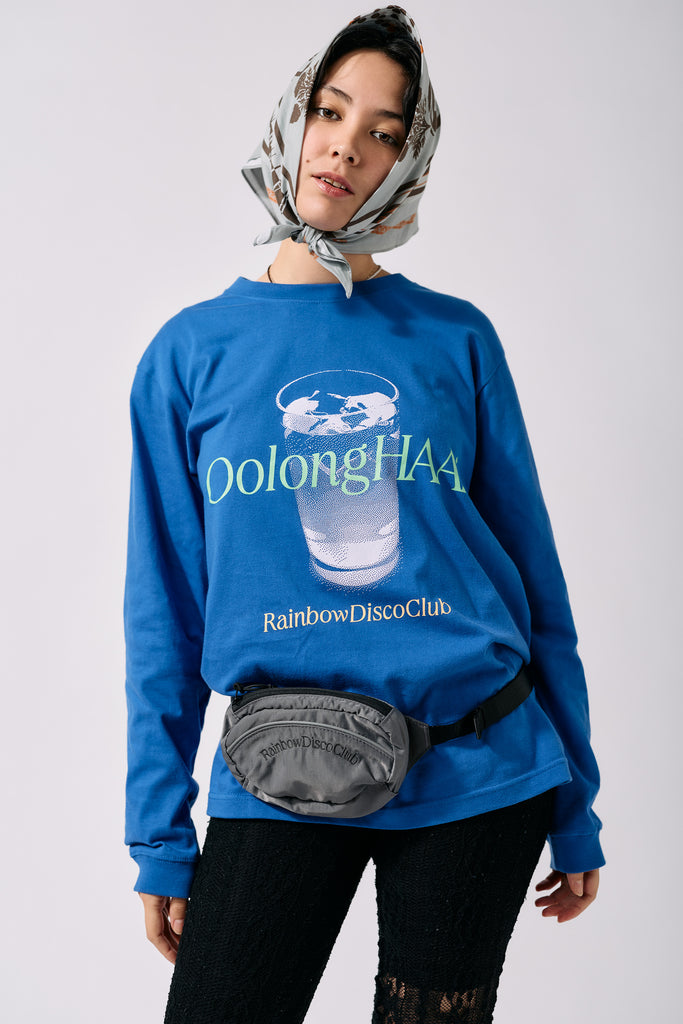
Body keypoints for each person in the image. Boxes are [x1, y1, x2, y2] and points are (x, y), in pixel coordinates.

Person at [124, 7, 604, 1023]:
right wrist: (158, 829)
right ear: (291, 119)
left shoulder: (453, 339)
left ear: (406, 162)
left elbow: (533, 582)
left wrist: (576, 803)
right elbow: (162, 609)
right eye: (329, 110)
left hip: (479, 762)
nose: (345, 145)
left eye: (383, 131)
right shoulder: (191, 353)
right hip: (279, 767)